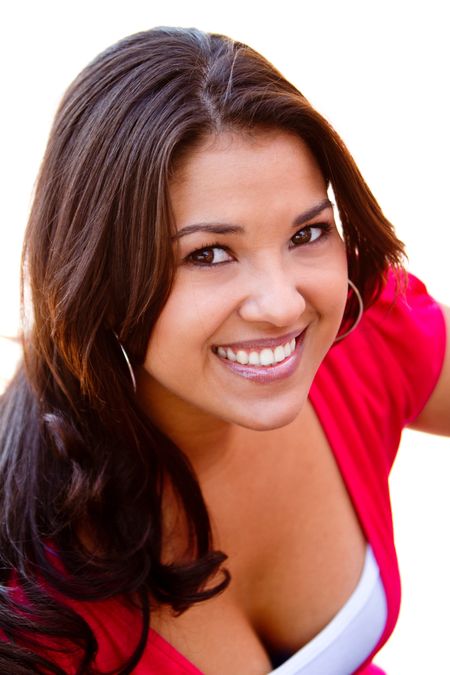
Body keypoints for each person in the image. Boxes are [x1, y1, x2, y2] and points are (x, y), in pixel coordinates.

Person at [0, 26, 448, 675]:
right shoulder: (28, 598)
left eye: (307, 232)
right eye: (208, 254)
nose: (283, 304)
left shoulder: (359, 333)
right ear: (99, 276)